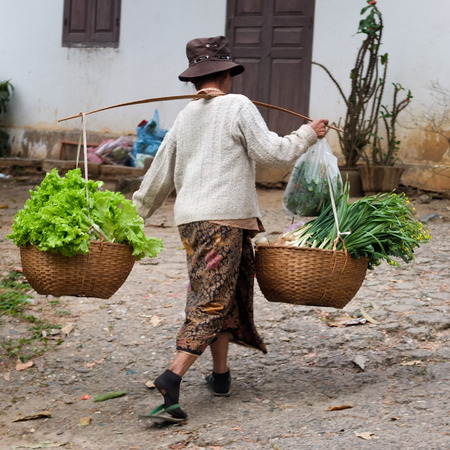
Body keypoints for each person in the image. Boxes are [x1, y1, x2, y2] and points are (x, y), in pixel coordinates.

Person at [132, 35, 328, 423]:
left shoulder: (185, 116)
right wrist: (308, 134)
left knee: (227, 296)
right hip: (222, 222)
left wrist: (133, 214)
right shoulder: (238, 105)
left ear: (195, 79)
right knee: (211, 301)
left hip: (194, 222)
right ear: (227, 74)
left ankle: (220, 376)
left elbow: (157, 178)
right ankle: (172, 377)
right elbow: (272, 155)